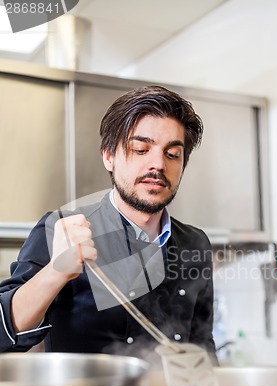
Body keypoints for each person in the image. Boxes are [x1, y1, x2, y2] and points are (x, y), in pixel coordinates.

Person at [0, 85, 216, 361]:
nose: (158, 164)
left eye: (172, 154)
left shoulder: (195, 242)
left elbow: (202, 341)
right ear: (109, 156)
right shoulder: (62, 229)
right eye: (141, 149)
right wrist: (56, 272)